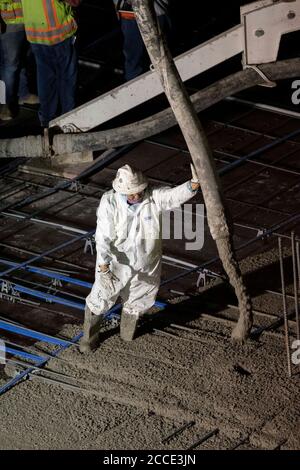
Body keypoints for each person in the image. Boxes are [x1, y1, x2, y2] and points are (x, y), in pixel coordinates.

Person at [80, 163, 200, 353]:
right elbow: (103, 236)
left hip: (146, 264)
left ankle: (127, 337)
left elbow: (172, 196)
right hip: (115, 265)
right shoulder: (109, 202)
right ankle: (89, 339)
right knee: (100, 299)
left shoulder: (153, 198)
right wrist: (103, 267)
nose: (136, 196)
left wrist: (192, 185)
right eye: (131, 193)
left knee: (137, 302)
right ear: (120, 191)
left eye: (138, 192)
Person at [21, 0, 81, 127]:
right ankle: (68, 118)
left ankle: (47, 120)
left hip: (35, 31)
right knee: (66, 78)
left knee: (45, 78)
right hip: (57, 31)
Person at [0, 0, 38, 121]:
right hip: (9, 21)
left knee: (23, 60)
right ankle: (6, 104)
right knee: (10, 65)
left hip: (29, 18)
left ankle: (23, 94)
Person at [113, 0, 170, 81]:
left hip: (155, 11)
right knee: (133, 53)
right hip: (129, 14)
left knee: (159, 50)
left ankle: (164, 78)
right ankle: (133, 82)